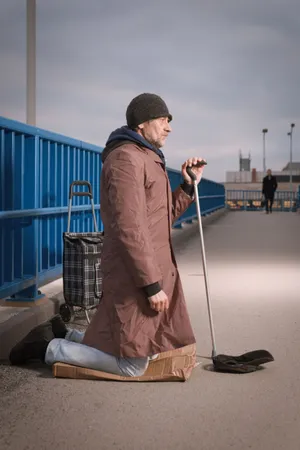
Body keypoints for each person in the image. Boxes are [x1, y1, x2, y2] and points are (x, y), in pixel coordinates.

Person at [9, 93, 205, 377]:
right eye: (163, 120)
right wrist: (151, 284)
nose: (169, 127)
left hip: (144, 268)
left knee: (141, 346)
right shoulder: (126, 159)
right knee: (133, 365)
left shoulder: (148, 158)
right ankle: (48, 348)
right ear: (142, 123)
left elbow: (157, 222)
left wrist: (186, 187)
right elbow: (129, 226)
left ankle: (66, 334)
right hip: (133, 273)